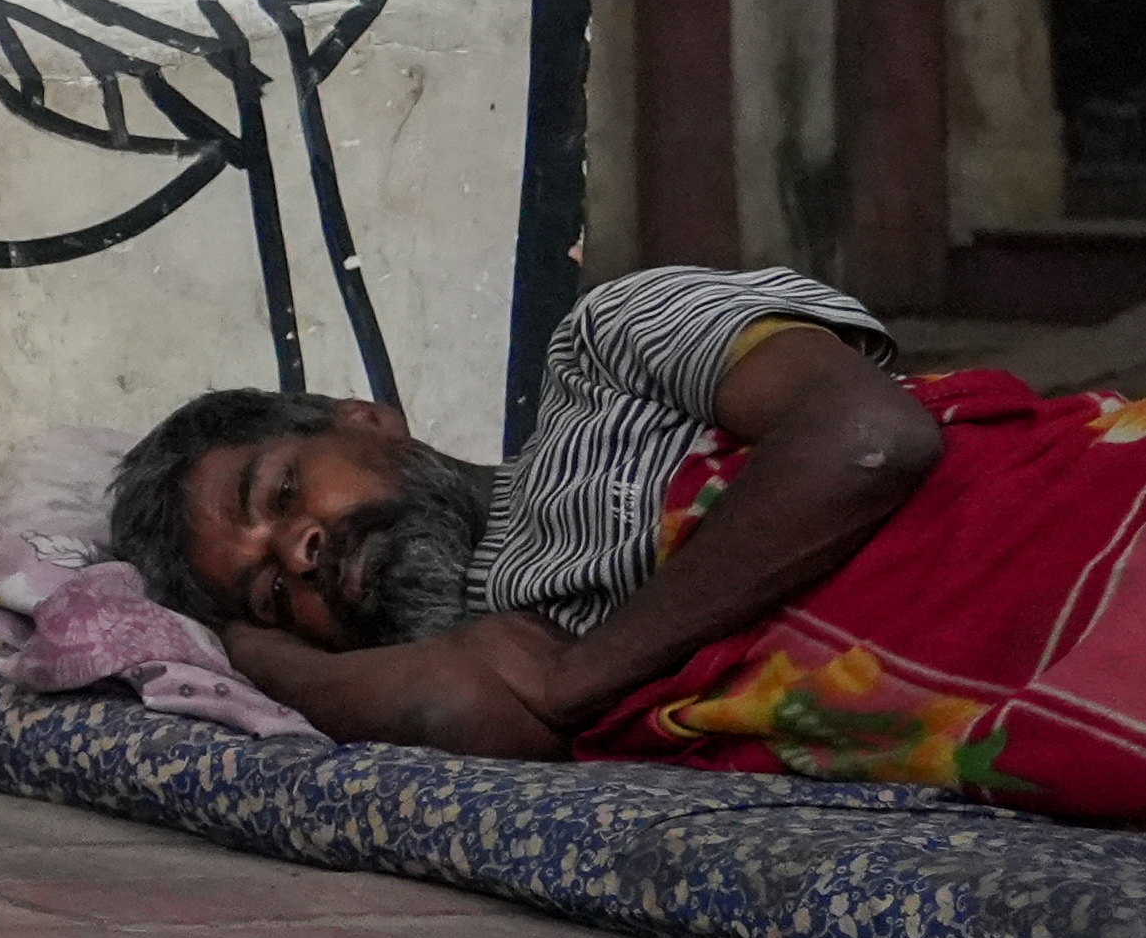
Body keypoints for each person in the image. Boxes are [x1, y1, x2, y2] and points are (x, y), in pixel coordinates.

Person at [109, 261, 1146, 818]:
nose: (297, 552)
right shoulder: (491, 650)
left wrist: (583, 676)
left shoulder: (607, 350)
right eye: (264, 588)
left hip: (1082, 524)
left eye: (283, 490)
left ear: (366, 418)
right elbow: (448, 705)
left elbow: (870, 435)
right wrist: (243, 650)